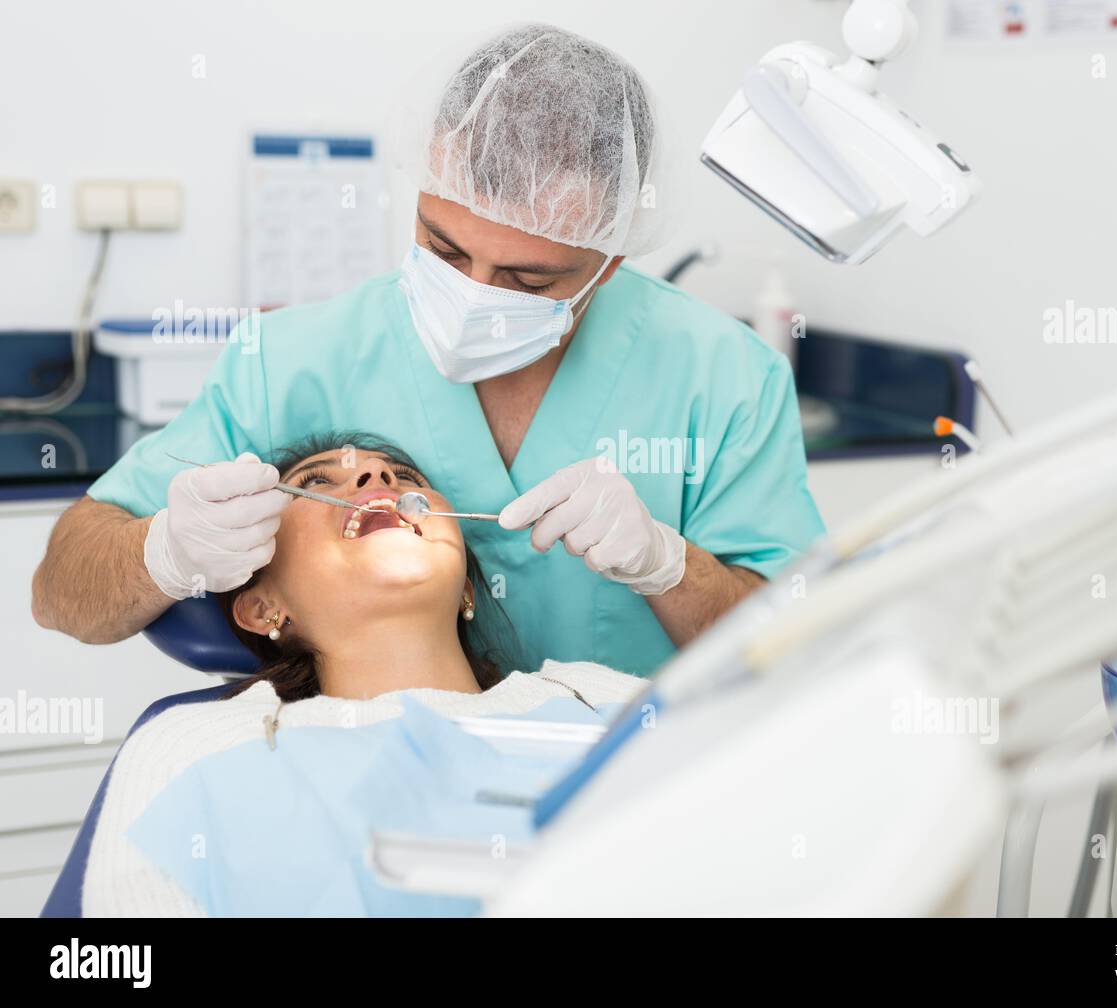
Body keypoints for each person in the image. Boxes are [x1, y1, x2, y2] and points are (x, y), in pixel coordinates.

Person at [32, 23, 824, 676]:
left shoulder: (724, 378)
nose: (476, 291)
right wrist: (164, 552)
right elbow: (60, 591)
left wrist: (669, 566)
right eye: (444, 249)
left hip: (631, 802)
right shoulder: (293, 360)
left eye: (526, 278)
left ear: (610, 260)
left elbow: (798, 653)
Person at [82, 434, 646, 916]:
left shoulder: (602, 702)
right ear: (263, 607)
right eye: (318, 481)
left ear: (467, 589)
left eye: (403, 475)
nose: (378, 475)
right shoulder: (191, 746)